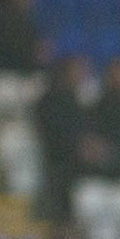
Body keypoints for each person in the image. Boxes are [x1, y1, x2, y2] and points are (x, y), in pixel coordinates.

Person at [32, 55, 93, 222]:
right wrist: (79, 147)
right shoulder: (49, 101)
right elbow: (52, 135)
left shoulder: (77, 101)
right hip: (59, 163)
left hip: (75, 162)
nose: (83, 75)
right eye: (78, 71)